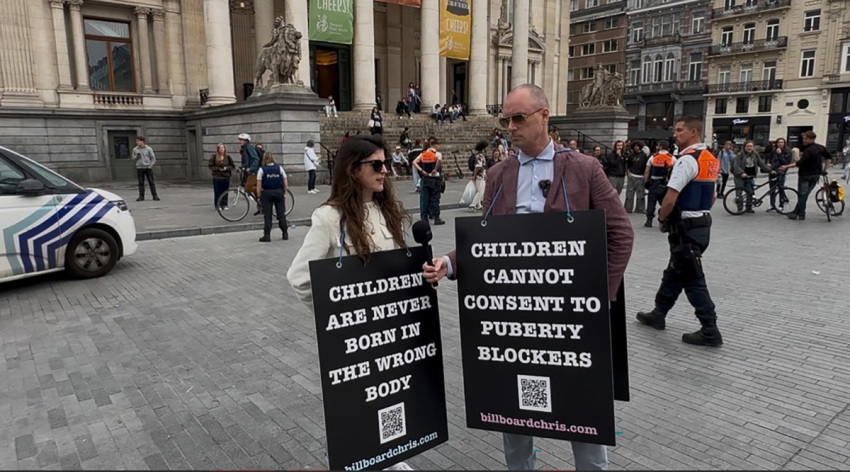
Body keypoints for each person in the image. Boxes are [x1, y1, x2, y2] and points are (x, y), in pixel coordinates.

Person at [423, 84, 633, 472]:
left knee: (583, 408)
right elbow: (486, 242)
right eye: (505, 119)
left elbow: (620, 233)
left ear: (544, 116)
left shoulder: (584, 168)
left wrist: (598, 297)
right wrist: (449, 264)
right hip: (514, 317)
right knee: (513, 408)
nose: (510, 126)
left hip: (571, 316)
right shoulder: (500, 173)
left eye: (519, 117)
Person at [286, 135, 413, 471]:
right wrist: (335, 320)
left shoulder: (388, 211)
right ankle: (349, 458)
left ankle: (390, 454)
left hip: (393, 330)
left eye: (386, 163)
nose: (385, 170)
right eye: (377, 164)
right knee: (356, 401)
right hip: (357, 337)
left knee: (390, 398)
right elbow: (298, 277)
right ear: (353, 169)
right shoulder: (330, 217)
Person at [636, 116, 723, 347]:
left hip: (686, 227)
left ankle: (709, 329)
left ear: (693, 132)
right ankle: (659, 313)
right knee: (675, 270)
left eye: (680, 130)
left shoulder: (687, 161)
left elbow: (670, 197)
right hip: (702, 222)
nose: (675, 134)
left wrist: (663, 219)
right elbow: (713, 195)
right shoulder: (710, 159)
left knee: (693, 279)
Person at [781, 131, 833, 220]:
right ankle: (795, 212)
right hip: (816, 175)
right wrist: (824, 169)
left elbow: (800, 162)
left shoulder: (808, 150)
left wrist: (786, 166)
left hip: (805, 175)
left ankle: (801, 214)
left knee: (802, 194)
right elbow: (829, 158)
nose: (804, 140)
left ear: (812, 139)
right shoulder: (820, 147)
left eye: (806, 139)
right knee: (804, 195)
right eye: (803, 138)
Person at [731, 141, 772, 213]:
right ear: (744, 147)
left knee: (750, 192)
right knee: (739, 192)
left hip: (750, 176)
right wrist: (741, 173)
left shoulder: (755, 154)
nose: (749, 148)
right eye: (748, 146)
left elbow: (761, 164)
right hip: (740, 176)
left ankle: (748, 207)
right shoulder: (740, 155)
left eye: (751, 146)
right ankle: (740, 208)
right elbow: (736, 166)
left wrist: (770, 171)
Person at [412, 137, 445, 225]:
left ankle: (424, 218)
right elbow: (439, 160)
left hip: (425, 178)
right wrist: (435, 169)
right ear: (435, 145)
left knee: (424, 199)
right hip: (434, 178)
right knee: (435, 199)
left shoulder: (423, 154)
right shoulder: (437, 153)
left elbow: (414, 162)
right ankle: (436, 218)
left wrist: (421, 170)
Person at [256, 152, 289, 242]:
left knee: (268, 215)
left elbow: (259, 184)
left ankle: (267, 235)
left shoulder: (262, 169)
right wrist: (284, 192)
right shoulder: (279, 168)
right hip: (278, 191)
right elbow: (285, 180)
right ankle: (285, 233)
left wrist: (258, 196)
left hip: (267, 192)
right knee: (281, 214)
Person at [643, 140, 676, 227]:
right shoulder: (672, 158)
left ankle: (649, 220)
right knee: (665, 202)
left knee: (651, 202)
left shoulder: (653, 157)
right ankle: (665, 220)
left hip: (654, 182)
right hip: (666, 183)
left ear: (659, 146)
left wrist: (646, 182)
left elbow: (647, 171)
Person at [766, 137, 792, 212]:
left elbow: (785, 162)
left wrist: (780, 154)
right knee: (772, 189)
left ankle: (781, 205)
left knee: (780, 188)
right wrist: (769, 164)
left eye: (781, 142)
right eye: (778, 142)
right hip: (773, 171)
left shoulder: (787, 152)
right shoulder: (773, 151)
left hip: (781, 172)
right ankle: (772, 205)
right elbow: (769, 159)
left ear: (784, 143)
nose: (780, 144)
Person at [238, 132, 261, 214]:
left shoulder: (249, 148)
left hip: (255, 171)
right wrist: (241, 167)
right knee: (250, 188)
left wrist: (251, 168)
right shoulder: (245, 148)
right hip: (252, 171)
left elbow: (256, 159)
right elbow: (248, 161)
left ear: (246, 141)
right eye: (239, 139)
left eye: (241, 140)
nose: (239, 141)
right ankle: (260, 204)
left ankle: (263, 192)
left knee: (247, 188)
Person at [208, 143, 235, 210]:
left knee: (225, 191)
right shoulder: (214, 157)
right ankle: (218, 204)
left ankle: (224, 204)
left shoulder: (228, 157)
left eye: (222, 148)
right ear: (218, 149)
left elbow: (232, 166)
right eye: (220, 148)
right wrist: (218, 169)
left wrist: (226, 168)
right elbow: (211, 166)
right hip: (217, 176)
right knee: (218, 191)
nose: (221, 149)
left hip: (226, 176)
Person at [624, 141, 648, 213]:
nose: (636, 147)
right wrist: (628, 173)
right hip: (632, 175)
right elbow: (628, 165)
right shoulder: (631, 156)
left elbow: (646, 166)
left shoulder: (644, 156)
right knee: (629, 193)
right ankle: (628, 208)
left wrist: (645, 175)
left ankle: (640, 209)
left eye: (637, 146)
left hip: (641, 176)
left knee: (640, 194)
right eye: (634, 146)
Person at [132, 136, 159, 201]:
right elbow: (133, 158)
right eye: (136, 141)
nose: (137, 142)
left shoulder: (148, 149)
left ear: (142, 141)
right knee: (141, 183)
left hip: (147, 167)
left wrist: (150, 166)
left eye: (138, 141)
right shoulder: (135, 149)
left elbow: (153, 158)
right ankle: (141, 196)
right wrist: (136, 157)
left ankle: (155, 196)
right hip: (139, 167)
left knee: (151, 182)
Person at [469, 140, 488, 211]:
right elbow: (478, 166)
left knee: (479, 190)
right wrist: (474, 175)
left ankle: (479, 204)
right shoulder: (480, 156)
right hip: (480, 176)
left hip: (480, 175)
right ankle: (473, 204)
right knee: (481, 191)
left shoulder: (478, 155)